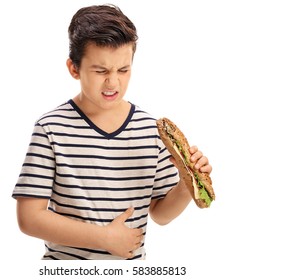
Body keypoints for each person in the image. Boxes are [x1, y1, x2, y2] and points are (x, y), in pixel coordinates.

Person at [12, 4, 212, 260]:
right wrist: (103, 237)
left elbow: (160, 214)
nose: (113, 82)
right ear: (74, 68)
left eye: (123, 70)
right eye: (101, 71)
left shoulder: (150, 130)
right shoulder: (50, 128)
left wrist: (187, 184)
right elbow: (29, 219)